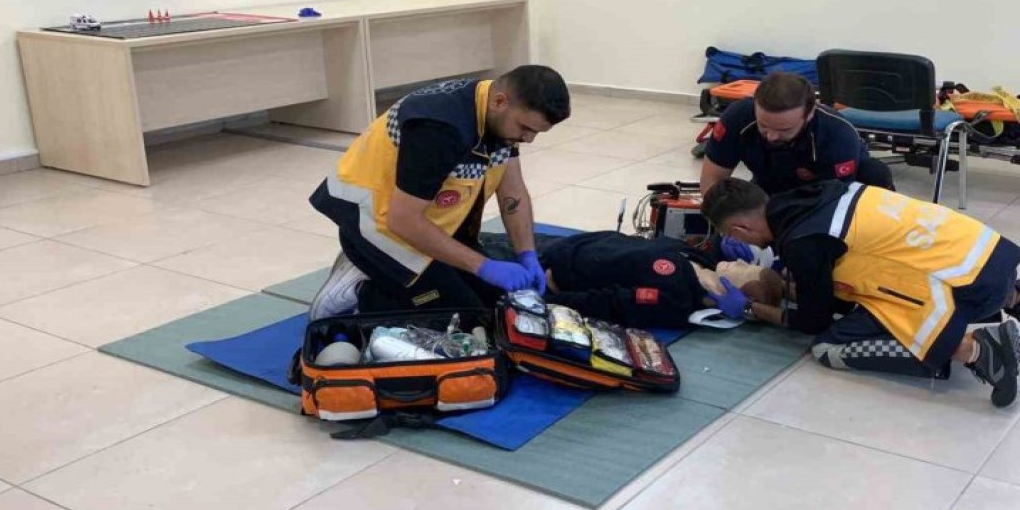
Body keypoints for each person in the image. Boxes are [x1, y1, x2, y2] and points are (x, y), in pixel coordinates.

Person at [700, 178, 1020, 408]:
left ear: (740, 228)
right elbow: (835, 276)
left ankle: (979, 350)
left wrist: (750, 309)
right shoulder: (817, 193)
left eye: (732, 235)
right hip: (989, 257)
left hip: (970, 288)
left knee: (828, 348)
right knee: (863, 294)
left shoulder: (803, 242)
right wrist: (785, 279)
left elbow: (813, 321)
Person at [307, 66, 570, 319]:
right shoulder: (440, 130)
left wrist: (527, 254)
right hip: (376, 229)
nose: (528, 139)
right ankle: (359, 292)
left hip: (426, 223)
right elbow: (402, 221)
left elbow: (512, 189)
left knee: (497, 303)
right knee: (464, 319)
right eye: (525, 129)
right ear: (500, 102)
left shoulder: (496, 112)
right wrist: (482, 266)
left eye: (535, 132)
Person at [484, 231, 783, 328]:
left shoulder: (675, 298)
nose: (741, 262)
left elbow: (607, 303)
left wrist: (545, 298)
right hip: (557, 246)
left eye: (744, 270)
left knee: (465, 254)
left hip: (542, 274)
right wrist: (721, 242)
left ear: (732, 290)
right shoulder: (704, 261)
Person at [698, 71, 895, 197]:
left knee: (875, 172)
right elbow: (711, 182)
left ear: (809, 115)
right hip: (769, 183)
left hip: (828, 190)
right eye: (764, 126)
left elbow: (833, 205)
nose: (771, 136)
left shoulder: (837, 134)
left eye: (784, 130)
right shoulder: (737, 118)